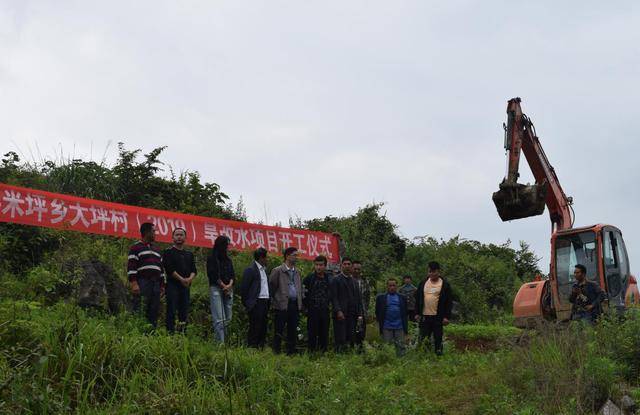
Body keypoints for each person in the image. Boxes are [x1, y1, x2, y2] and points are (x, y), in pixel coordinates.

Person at [127, 222, 164, 328]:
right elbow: (131, 267)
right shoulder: (135, 248)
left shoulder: (157, 250)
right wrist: (134, 283)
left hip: (156, 283)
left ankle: (151, 332)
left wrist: (162, 285)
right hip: (143, 282)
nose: (155, 233)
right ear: (147, 232)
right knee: (140, 307)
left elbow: (161, 269)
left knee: (154, 309)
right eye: (154, 231)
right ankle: (136, 331)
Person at [162, 228, 196, 334]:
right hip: (173, 285)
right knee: (171, 310)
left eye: (181, 235)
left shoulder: (189, 254)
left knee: (184, 311)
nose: (179, 237)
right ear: (172, 237)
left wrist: (189, 279)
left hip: (186, 286)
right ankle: (170, 334)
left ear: (185, 238)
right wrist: (181, 279)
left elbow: (194, 270)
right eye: (177, 235)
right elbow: (169, 269)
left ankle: (182, 333)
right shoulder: (168, 252)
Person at [269, 247, 303, 355]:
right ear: (287, 256)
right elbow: (272, 287)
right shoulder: (278, 270)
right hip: (282, 304)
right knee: (279, 329)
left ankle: (291, 352)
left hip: (294, 304)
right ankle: (276, 352)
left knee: (293, 329)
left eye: (297, 255)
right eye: (294, 255)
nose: (296, 257)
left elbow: (299, 287)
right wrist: (276, 301)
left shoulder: (297, 271)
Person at [414, 261, 453, 355]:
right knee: (423, 338)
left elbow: (448, 302)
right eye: (429, 271)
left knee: (438, 338)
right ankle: (424, 356)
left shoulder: (445, 285)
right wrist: (417, 313)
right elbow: (418, 298)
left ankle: (438, 355)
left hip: (438, 317)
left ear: (438, 272)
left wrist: (446, 317)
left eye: (433, 271)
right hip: (425, 316)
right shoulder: (423, 283)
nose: (431, 273)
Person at [330, 257, 363, 352]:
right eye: (345, 264)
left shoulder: (354, 282)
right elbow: (334, 297)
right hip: (340, 314)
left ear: (351, 267)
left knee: (351, 336)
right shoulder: (336, 280)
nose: (347, 266)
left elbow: (358, 299)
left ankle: (349, 356)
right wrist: (338, 311)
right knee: (340, 337)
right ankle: (339, 355)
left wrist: (360, 314)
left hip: (352, 314)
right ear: (341, 266)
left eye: (349, 264)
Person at [240, 248, 270, 348]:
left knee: (263, 326)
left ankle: (260, 346)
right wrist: (248, 303)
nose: (267, 260)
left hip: (265, 301)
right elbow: (244, 288)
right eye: (266, 257)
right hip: (256, 302)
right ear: (262, 258)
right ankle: (252, 347)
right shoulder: (251, 270)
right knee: (255, 326)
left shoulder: (264, 270)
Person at [206, 235, 235, 343]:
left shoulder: (228, 260)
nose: (227, 247)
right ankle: (220, 343)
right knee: (219, 318)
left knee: (228, 318)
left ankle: (226, 342)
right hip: (217, 288)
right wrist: (223, 286)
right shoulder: (212, 258)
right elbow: (212, 275)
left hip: (229, 289)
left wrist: (229, 286)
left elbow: (233, 275)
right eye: (226, 245)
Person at [303, 255, 332, 353]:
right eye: (317, 265)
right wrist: (305, 308)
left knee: (324, 333)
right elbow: (304, 294)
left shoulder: (329, 278)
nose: (319, 267)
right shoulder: (309, 278)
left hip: (325, 310)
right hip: (313, 310)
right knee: (312, 333)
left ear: (325, 266)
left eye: (321, 265)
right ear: (314, 265)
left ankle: (323, 353)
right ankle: (311, 354)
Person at [375, 278, 408, 355]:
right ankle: (387, 361)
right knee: (386, 346)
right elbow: (377, 312)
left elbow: (405, 312)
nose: (392, 287)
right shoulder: (381, 297)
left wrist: (406, 328)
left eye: (394, 285)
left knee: (400, 346)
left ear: (397, 286)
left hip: (399, 325)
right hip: (386, 325)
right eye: (390, 285)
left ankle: (401, 362)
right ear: (387, 286)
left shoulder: (402, 297)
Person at [352, 260, 371, 349]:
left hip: (362, 310)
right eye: (355, 269)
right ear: (352, 269)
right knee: (351, 331)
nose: (356, 271)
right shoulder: (349, 280)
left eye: (358, 269)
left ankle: (360, 349)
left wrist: (366, 310)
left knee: (361, 331)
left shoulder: (364, 281)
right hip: (351, 310)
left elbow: (368, 296)